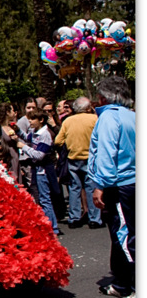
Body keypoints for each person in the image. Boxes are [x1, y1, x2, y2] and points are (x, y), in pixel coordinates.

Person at [88, 76, 136, 298]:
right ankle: (122, 282)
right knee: (124, 233)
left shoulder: (109, 117)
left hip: (120, 183)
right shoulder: (133, 116)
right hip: (132, 181)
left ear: (104, 96)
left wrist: (100, 186)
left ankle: (135, 286)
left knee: (125, 236)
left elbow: (106, 154)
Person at [54, 97, 102, 229]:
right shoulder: (94, 119)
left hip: (73, 157)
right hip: (90, 158)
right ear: (88, 108)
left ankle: (74, 218)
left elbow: (58, 141)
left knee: (74, 188)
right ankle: (94, 219)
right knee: (90, 188)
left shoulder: (68, 121)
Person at [12, 109, 62, 236]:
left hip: (43, 170)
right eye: (29, 119)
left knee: (45, 198)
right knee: (41, 196)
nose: (30, 122)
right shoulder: (34, 132)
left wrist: (23, 147)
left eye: (33, 119)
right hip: (37, 169)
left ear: (41, 120)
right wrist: (17, 131)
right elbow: (27, 138)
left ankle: (53, 226)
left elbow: (39, 155)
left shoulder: (45, 135)